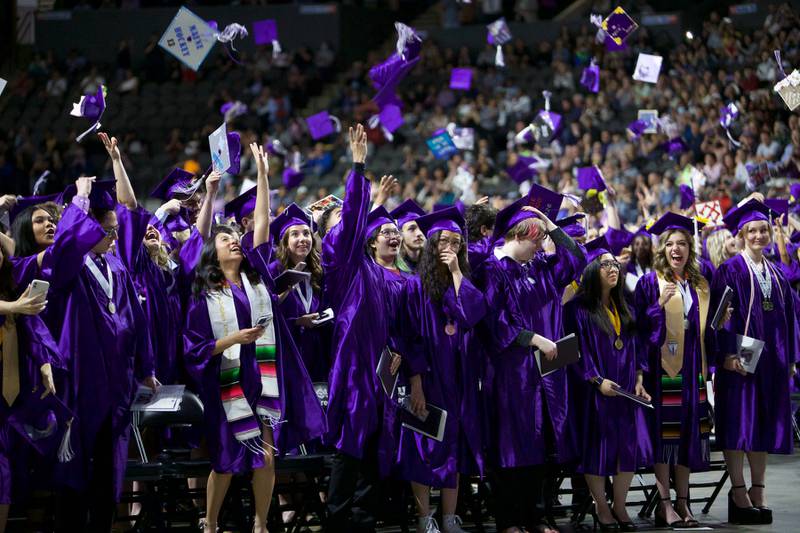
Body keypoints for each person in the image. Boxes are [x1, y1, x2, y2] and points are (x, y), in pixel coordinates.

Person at [183, 142, 324, 533]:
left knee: (266, 455)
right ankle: (209, 524)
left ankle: (261, 525)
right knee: (226, 460)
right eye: (227, 239)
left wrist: (263, 176)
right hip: (227, 381)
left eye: (236, 239)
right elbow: (194, 348)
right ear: (214, 252)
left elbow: (261, 225)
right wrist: (232, 340)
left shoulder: (256, 278)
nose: (235, 241)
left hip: (262, 377)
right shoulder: (204, 295)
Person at [11, 177, 157, 531]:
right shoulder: (61, 266)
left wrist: (146, 367)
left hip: (117, 386)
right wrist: (81, 197)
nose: (111, 236)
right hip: (79, 381)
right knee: (74, 476)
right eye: (104, 230)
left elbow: (137, 321)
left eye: (112, 230)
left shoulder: (117, 268)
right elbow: (64, 248)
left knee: (109, 475)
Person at [476, 197, 585, 533]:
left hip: (546, 373)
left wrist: (553, 227)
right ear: (518, 236)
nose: (542, 247)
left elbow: (577, 260)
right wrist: (534, 339)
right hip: (511, 373)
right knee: (512, 449)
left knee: (542, 447)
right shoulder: (492, 270)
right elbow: (494, 323)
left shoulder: (539, 269)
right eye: (537, 240)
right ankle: (510, 521)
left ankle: (536, 518)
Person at [322, 125, 405, 532]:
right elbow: (353, 225)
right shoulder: (345, 266)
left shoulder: (381, 274)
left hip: (379, 372)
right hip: (354, 370)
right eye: (383, 232)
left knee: (374, 447)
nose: (392, 236)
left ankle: (364, 522)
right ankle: (337, 523)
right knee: (349, 448)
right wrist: (358, 168)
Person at [396, 207, 487, 533]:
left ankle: (449, 517)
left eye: (457, 242)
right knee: (424, 446)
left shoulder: (462, 281)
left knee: (455, 447)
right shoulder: (414, 286)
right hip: (430, 378)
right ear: (432, 245)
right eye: (444, 241)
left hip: (460, 378)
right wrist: (416, 384)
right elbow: (411, 339)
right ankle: (425, 519)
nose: (450, 247)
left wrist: (458, 274)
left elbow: (474, 314)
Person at [710, 200, 799, 525]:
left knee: (761, 425)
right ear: (742, 234)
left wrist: (790, 358)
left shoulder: (776, 272)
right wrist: (727, 355)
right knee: (738, 425)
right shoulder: (731, 269)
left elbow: (791, 318)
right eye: (753, 230)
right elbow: (720, 318)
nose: (759, 235)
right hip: (741, 358)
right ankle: (738, 492)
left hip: (771, 361)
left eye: (763, 230)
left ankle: (758, 491)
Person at [633, 212, 721, 529]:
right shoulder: (649, 283)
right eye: (670, 244)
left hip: (692, 368)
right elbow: (639, 329)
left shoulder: (698, 284)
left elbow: (704, 331)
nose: (676, 249)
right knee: (664, 436)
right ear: (662, 249)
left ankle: (684, 504)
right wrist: (658, 304)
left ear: (689, 248)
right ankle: (665, 505)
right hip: (663, 371)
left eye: (682, 243)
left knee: (687, 435)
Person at [564, 236, 652, 531]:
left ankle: (620, 506)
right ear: (591, 270)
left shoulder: (624, 306)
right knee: (598, 450)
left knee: (626, 451)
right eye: (605, 265)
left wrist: (640, 378)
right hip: (595, 392)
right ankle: (602, 507)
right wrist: (596, 380)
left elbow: (637, 346)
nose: (613, 268)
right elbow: (575, 352)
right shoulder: (577, 310)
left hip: (626, 390)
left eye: (615, 264)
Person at [0, 245, 59, 532]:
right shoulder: (13, 303)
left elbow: (33, 332)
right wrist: (12, 308)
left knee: (7, 477)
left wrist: (45, 365)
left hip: (11, 400)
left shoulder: (13, 293)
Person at [268, 203, 330, 382]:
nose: (303, 238)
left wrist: (324, 316)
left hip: (318, 349)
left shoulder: (318, 270)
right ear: (285, 243)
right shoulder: (274, 271)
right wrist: (297, 322)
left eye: (306, 233)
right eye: (295, 234)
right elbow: (268, 313)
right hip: (289, 350)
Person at [389, 199, 427, 274]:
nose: (419, 233)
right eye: (412, 229)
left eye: (421, 228)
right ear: (400, 234)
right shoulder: (394, 268)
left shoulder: (430, 263)